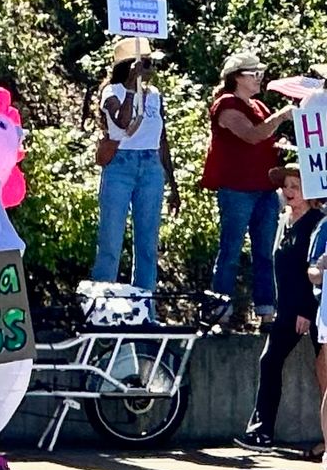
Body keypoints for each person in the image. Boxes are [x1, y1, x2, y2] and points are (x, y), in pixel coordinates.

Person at [201, 52, 295, 329]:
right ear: (237, 77)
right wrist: (281, 117)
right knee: (230, 251)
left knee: (265, 252)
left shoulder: (257, 106)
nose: (259, 78)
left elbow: (265, 137)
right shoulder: (226, 105)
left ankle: (266, 312)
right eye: (253, 73)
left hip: (265, 189)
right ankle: (221, 311)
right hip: (237, 189)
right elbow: (252, 135)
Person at [234, 164, 324, 451]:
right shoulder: (283, 221)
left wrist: (306, 312)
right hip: (286, 307)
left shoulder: (316, 224)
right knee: (270, 362)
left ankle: (265, 432)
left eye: (295, 186)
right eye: (286, 186)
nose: (288, 192)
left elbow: (312, 271)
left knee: (322, 368)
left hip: (309, 309)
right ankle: (261, 432)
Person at [90, 38, 180, 294]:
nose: (151, 69)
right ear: (130, 66)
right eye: (147, 63)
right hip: (121, 165)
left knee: (148, 243)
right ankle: (101, 305)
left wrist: (172, 183)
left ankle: (144, 306)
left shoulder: (154, 95)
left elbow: (162, 139)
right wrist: (131, 87)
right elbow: (121, 123)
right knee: (111, 239)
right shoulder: (112, 92)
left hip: (151, 166)